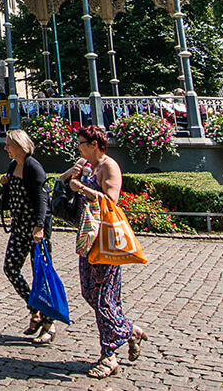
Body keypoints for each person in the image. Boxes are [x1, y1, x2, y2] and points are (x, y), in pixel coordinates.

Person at [63, 126, 149, 378]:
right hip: (87, 238)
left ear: (94, 144)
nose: (78, 147)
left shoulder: (109, 166)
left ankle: (108, 355)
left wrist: (82, 189)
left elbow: (111, 200)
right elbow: (61, 182)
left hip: (105, 241)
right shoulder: (86, 166)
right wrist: (71, 174)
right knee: (89, 293)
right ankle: (130, 330)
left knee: (103, 298)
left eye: (81, 143)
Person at [2, 130, 55, 344]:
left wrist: (39, 227)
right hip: (18, 228)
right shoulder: (13, 166)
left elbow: (42, 199)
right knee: (11, 268)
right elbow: (8, 200)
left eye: (8, 145)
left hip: (35, 230)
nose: (5, 148)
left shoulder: (33, 167)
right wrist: (5, 185)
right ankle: (34, 309)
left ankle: (49, 324)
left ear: (20, 146)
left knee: (40, 277)